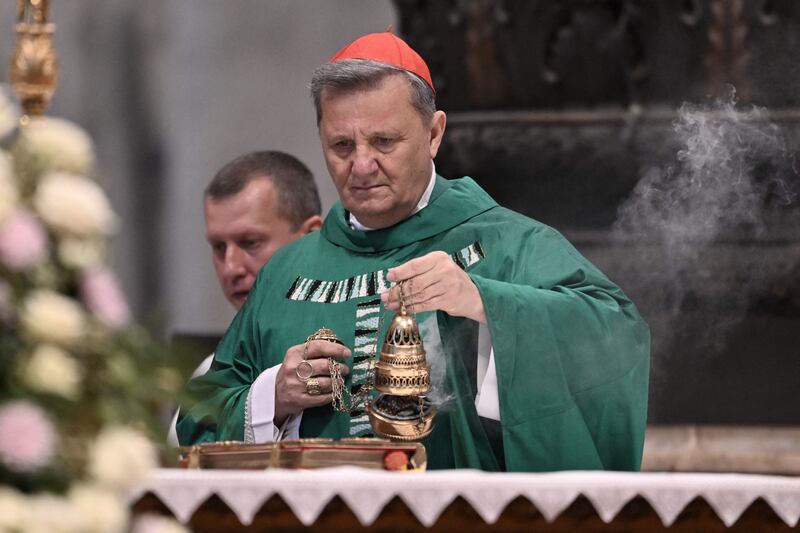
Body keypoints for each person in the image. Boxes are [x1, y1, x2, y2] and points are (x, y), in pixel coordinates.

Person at [177, 32, 650, 472]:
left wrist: (486, 303)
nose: (361, 165)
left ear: (433, 134)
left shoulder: (508, 244)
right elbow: (196, 417)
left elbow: (615, 335)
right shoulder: (287, 270)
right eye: (341, 145)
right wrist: (273, 397)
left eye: (384, 141)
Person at [167, 150, 322, 445]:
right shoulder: (207, 374)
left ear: (310, 237)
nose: (231, 268)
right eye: (218, 247)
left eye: (250, 242)